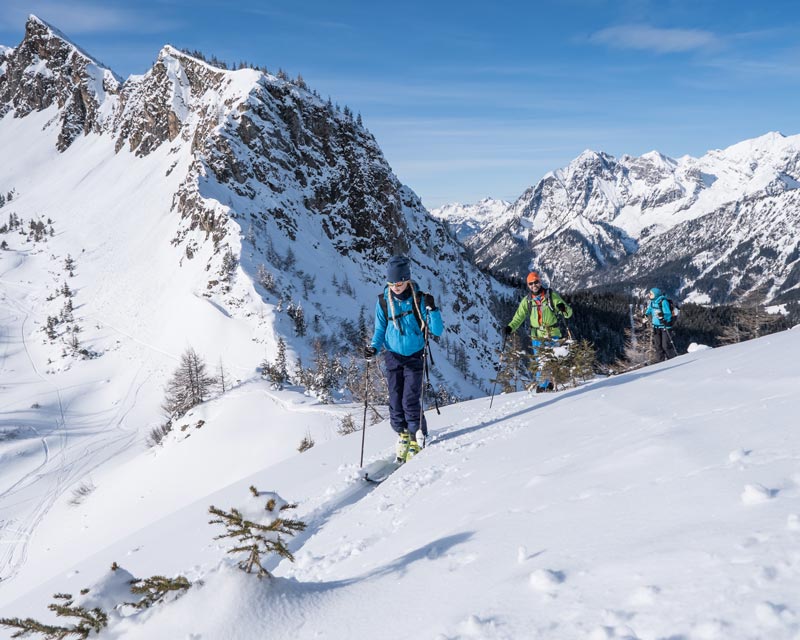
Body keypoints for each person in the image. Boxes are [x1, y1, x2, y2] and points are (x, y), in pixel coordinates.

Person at [365, 256, 443, 462]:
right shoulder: (383, 302)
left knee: (410, 399)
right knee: (395, 399)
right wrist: (373, 348)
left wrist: (433, 310)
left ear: (407, 279)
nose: (396, 287)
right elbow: (380, 329)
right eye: (392, 283)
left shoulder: (419, 300)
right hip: (392, 355)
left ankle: (418, 436)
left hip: (415, 357)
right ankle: (403, 435)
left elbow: (436, 330)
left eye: (399, 283)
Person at [503, 271, 573, 393]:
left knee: (554, 360)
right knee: (541, 361)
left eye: (536, 282)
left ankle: (557, 385)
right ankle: (543, 387)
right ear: (528, 285)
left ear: (540, 282)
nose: (534, 285)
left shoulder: (551, 295)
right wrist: (510, 327)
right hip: (537, 336)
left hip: (552, 333)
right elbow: (518, 317)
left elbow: (568, 313)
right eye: (531, 283)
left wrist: (563, 308)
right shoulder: (527, 301)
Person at [644, 287, 675, 362]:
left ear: (656, 294)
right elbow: (650, 309)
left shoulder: (663, 302)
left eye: (651, 294)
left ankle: (672, 360)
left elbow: (668, 313)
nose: (649, 295)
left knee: (666, 346)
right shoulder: (652, 302)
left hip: (665, 326)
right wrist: (646, 314)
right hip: (656, 326)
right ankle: (661, 362)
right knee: (658, 346)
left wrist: (663, 317)